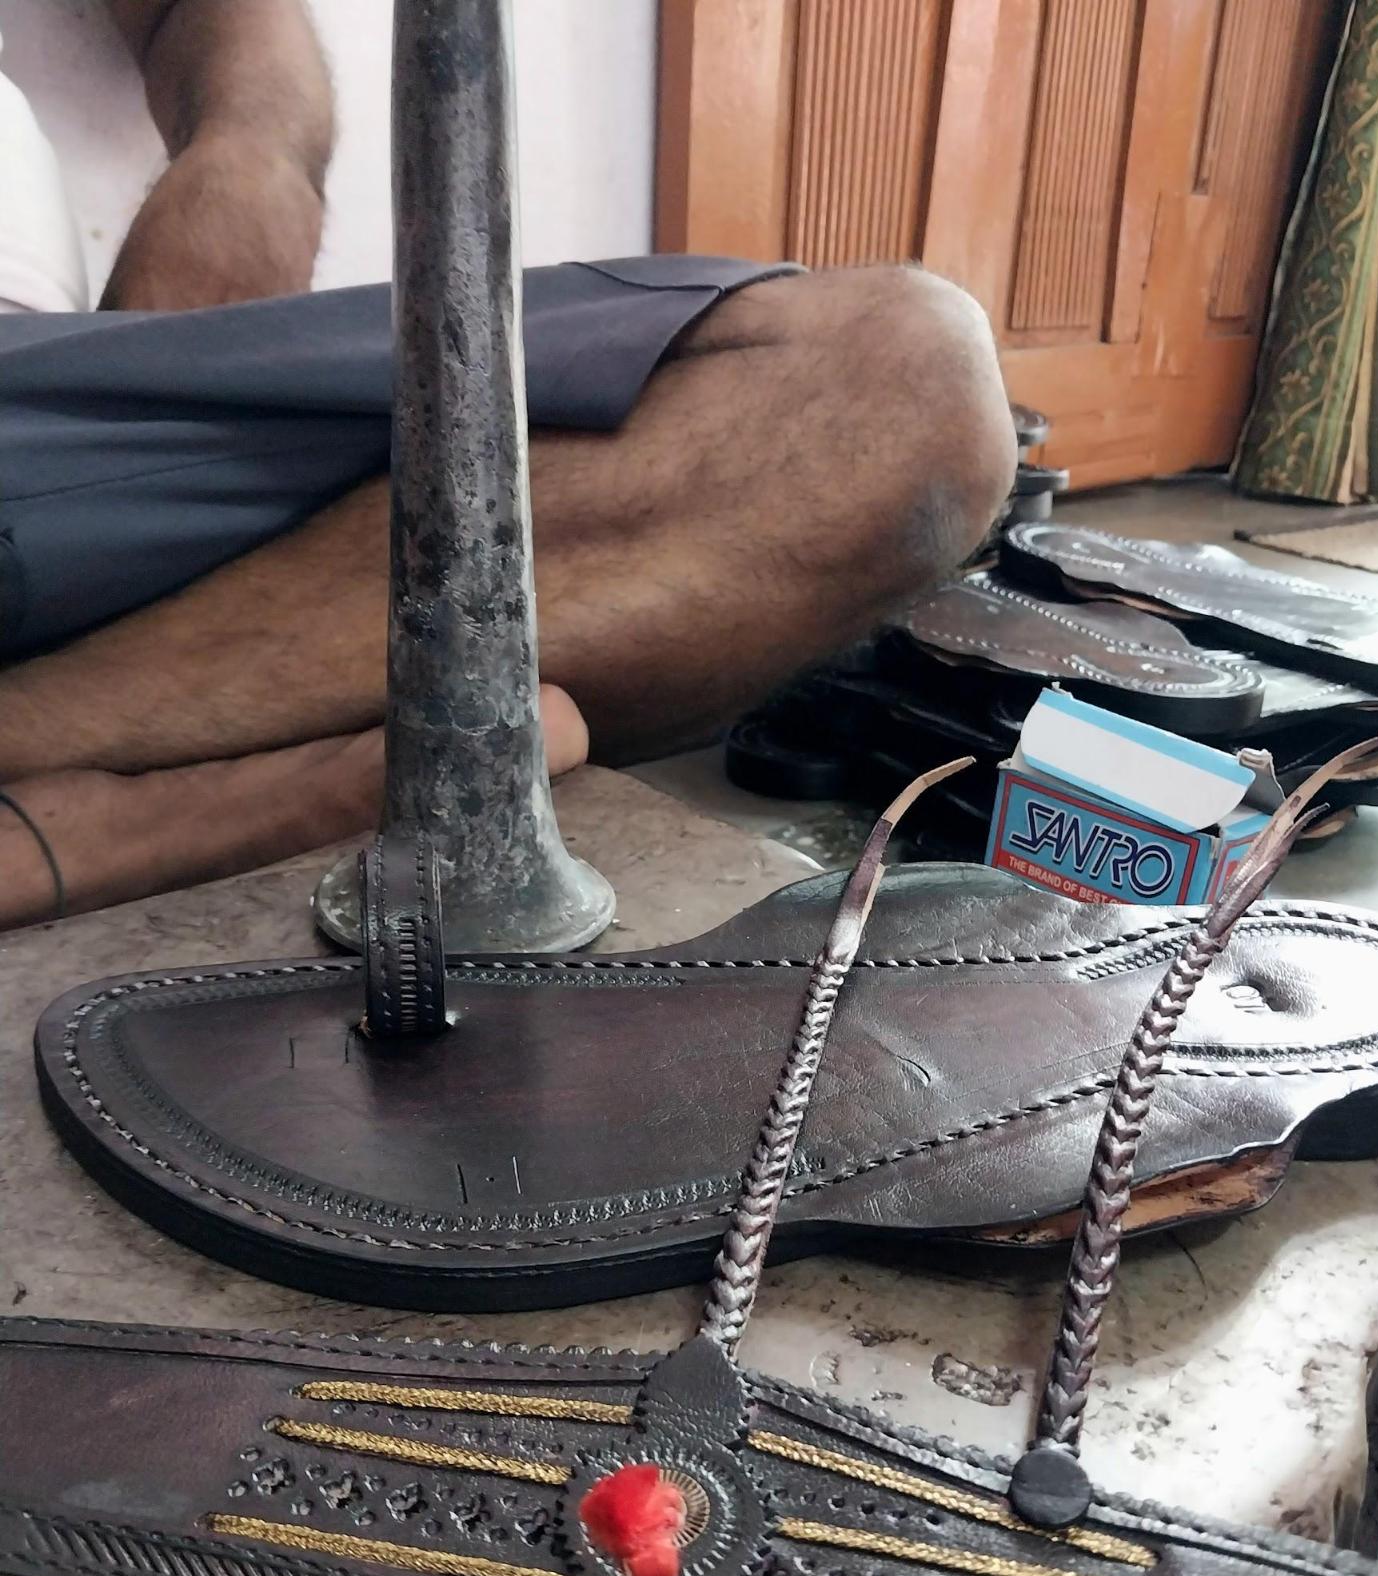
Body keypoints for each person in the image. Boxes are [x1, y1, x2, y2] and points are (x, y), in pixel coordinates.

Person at [0, 0, 1015, 931]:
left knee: (903, 391)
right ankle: (124, 813)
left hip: (63, 391)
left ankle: (61, 759)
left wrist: (252, 152)